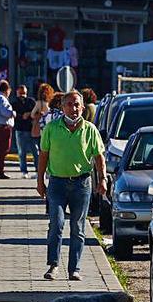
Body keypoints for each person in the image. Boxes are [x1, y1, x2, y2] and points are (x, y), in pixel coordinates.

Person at [37, 91, 106, 281]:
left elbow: (99, 156)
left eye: (77, 105)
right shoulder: (52, 128)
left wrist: (102, 179)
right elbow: (43, 155)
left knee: (78, 227)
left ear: (82, 108)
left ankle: (74, 268)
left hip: (81, 184)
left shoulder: (90, 130)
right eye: (69, 104)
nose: (73, 109)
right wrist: (40, 180)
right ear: (62, 107)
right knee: (56, 224)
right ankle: (53, 265)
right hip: (57, 183)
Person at [10, 84, 38, 178]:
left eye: (24, 93)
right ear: (17, 92)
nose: (22, 95)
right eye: (20, 93)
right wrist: (21, 116)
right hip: (20, 129)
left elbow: (36, 112)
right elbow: (12, 114)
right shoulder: (14, 102)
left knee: (35, 151)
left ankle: (38, 170)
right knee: (22, 152)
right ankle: (24, 171)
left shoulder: (31, 101)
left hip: (31, 129)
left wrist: (29, 114)